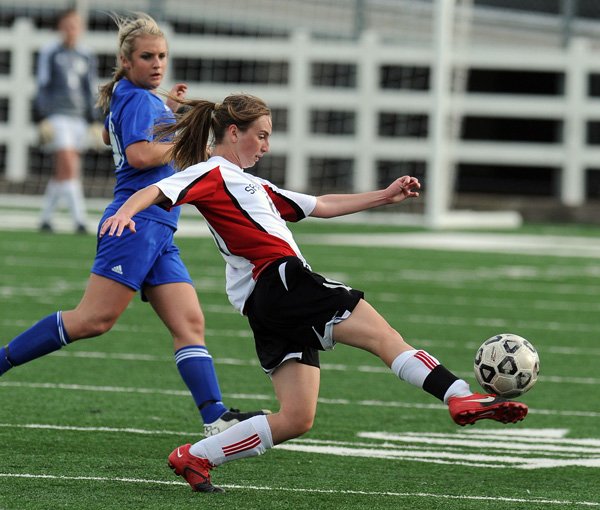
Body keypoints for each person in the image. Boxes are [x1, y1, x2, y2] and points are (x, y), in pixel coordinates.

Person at [99, 92, 529, 493]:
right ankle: (458, 397)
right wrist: (123, 213)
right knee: (384, 337)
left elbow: (321, 205)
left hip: (264, 304)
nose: (265, 146)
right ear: (234, 133)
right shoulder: (211, 172)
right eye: (261, 135)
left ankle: (195, 456)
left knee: (296, 417)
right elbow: (156, 189)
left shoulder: (254, 186)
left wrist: (384, 195)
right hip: (282, 280)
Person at [0, 13, 267, 437]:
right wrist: (185, 132)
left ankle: (214, 415)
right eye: (147, 57)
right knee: (92, 320)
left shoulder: (129, 94)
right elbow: (141, 155)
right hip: (136, 222)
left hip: (158, 227)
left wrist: (170, 111)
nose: (157, 64)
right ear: (126, 60)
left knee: (189, 323)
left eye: (162, 55)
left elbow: (113, 137)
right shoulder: (139, 98)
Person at [34, 8, 98, 234]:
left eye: (76, 25)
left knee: (64, 171)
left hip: (78, 118)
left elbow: (89, 88)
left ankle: (45, 218)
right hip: (57, 116)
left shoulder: (87, 55)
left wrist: (93, 119)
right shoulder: (50, 52)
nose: (72, 30)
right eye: (68, 25)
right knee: (69, 166)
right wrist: (41, 117)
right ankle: (80, 219)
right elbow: (42, 85)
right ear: (60, 27)